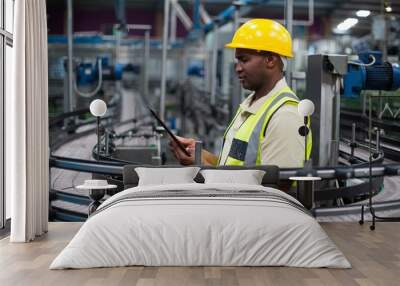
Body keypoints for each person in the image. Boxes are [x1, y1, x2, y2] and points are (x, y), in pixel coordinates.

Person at [170, 19, 311, 168]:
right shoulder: (252, 104)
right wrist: (200, 155)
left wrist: (206, 169)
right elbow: (235, 166)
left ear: (270, 60)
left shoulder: (285, 114)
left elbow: (276, 187)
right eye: (237, 61)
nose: (237, 68)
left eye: (244, 60)